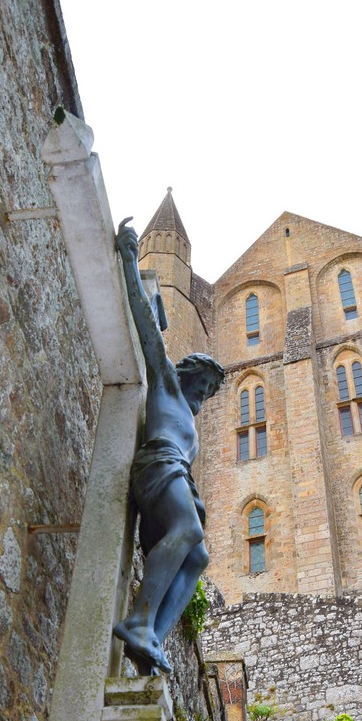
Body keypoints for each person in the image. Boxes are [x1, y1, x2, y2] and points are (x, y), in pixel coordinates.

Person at [113, 218, 225, 673]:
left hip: (173, 474)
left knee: (197, 555)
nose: (203, 397)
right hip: (158, 465)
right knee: (190, 534)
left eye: (209, 393)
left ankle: (152, 638)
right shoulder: (168, 387)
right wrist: (127, 257)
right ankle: (138, 622)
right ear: (189, 376)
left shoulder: (189, 417)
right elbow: (145, 324)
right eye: (203, 387)